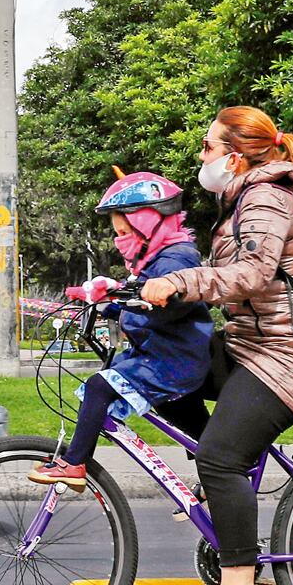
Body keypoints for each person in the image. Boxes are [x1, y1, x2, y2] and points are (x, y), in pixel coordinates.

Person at [140, 107, 293, 585]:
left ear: (235, 155)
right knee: (165, 375)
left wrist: (182, 282)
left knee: (220, 458)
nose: (200, 157)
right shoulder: (239, 201)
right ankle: (223, 481)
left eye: (207, 147)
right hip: (253, 344)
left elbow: (251, 274)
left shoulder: (265, 198)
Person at [29, 172, 213, 489]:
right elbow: (143, 308)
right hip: (165, 355)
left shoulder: (177, 258)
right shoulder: (153, 261)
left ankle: (75, 463)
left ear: (148, 224)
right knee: (196, 430)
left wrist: (120, 291)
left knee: (99, 387)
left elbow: (164, 303)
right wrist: (106, 304)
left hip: (172, 359)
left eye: (125, 231)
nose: (119, 240)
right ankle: (219, 477)